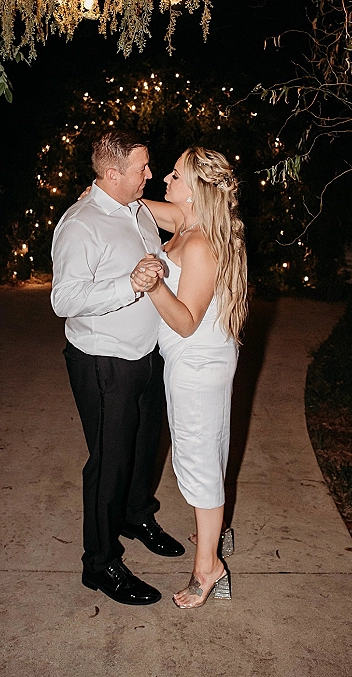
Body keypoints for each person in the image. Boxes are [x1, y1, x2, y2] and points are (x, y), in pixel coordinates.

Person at [50, 130, 184, 608]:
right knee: (109, 463)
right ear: (112, 174)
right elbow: (64, 300)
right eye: (141, 168)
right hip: (103, 362)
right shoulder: (80, 224)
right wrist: (128, 284)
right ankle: (100, 562)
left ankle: (136, 514)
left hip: (146, 354)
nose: (150, 174)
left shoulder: (139, 210)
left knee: (147, 445)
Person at [130, 146, 247, 609]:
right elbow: (155, 210)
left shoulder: (199, 244)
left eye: (175, 176)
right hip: (195, 363)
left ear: (195, 190)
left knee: (198, 463)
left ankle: (208, 570)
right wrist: (118, 198)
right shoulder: (190, 224)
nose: (165, 180)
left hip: (197, 365)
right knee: (205, 453)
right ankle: (212, 534)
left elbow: (185, 320)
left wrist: (155, 285)